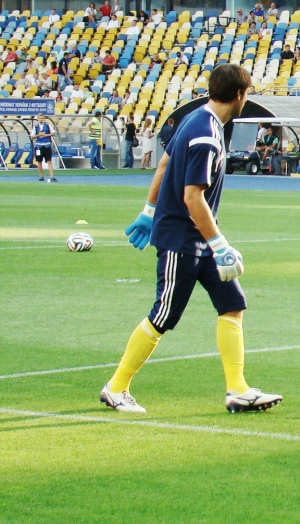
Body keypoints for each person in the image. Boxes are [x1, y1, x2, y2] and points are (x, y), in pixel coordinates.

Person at [107, 63, 282, 414]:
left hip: (198, 237)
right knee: (164, 315)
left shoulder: (194, 118)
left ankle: (237, 389)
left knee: (232, 303)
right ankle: (116, 387)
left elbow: (163, 165)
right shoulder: (206, 134)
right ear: (239, 94)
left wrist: (148, 210)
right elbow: (192, 197)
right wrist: (219, 245)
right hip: (183, 240)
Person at [32, 114, 57, 182]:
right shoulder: (36, 127)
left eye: (42, 118)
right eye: (40, 118)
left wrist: (46, 135)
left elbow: (53, 133)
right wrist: (38, 135)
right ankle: (41, 176)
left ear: (44, 119)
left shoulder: (47, 125)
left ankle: (52, 176)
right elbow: (32, 137)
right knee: (39, 161)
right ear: (38, 119)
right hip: (38, 146)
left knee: (49, 161)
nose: (41, 119)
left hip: (47, 145)